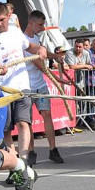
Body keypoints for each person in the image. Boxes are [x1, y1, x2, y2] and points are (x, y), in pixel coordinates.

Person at [0, 1, 47, 170]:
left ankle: (25, 159)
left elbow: (29, 47)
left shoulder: (15, 32)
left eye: (2, 19)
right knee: (6, 129)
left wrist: (40, 49)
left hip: (22, 86)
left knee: (23, 123)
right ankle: (14, 161)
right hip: (3, 89)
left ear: (9, 17)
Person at [23, 11, 64, 165]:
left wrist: (56, 57)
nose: (42, 27)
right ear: (31, 23)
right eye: (40, 24)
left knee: (47, 114)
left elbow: (44, 54)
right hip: (27, 86)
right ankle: (31, 151)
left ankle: (53, 149)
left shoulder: (36, 38)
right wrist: (55, 77)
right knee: (27, 120)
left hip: (40, 85)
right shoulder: (23, 40)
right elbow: (37, 63)